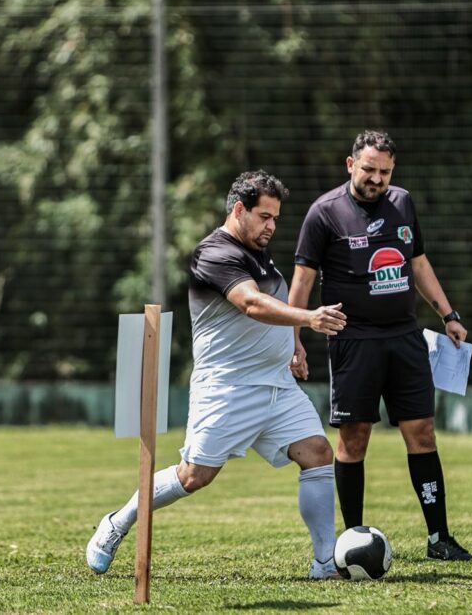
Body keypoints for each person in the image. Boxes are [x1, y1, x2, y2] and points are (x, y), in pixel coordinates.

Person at [86, 170, 348, 579]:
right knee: (194, 476)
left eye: (276, 219)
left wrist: (293, 345)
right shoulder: (215, 253)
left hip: (277, 385)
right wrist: (309, 318)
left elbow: (271, 307)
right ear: (239, 210)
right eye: (264, 217)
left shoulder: (259, 251)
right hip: (227, 388)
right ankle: (118, 522)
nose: (271, 226)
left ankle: (325, 562)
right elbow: (251, 304)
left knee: (317, 453)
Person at [288, 130, 472, 561]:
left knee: (422, 433)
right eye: (369, 169)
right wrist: (294, 337)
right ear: (350, 164)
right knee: (354, 439)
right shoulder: (324, 212)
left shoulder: (403, 202)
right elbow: (302, 279)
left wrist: (448, 315)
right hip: (353, 340)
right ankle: (352, 541)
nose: (376, 179)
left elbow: (418, 263)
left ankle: (439, 539)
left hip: (405, 336)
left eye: (385, 172)